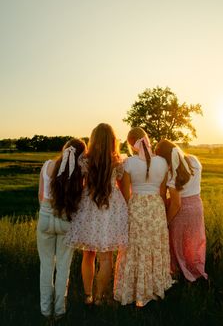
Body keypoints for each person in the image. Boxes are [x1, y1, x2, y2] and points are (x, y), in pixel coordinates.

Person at [66, 123, 128, 305]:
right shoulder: (118, 160)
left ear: (93, 139)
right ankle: (99, 297)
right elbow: (125, 190)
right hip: (110, 208)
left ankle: (88, 296)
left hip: (89, 206)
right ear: (112, 140)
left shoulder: (85, 160)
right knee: (106, 256)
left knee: (88, 254)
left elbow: (77, 185)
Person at [114, 127, 174, 307]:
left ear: (132, 145)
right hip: (156, 208)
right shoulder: (163, 162)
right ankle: (154, 288)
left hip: (136, 208)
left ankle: (134, 291)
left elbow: (125, 195)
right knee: (154, 246)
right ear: (147, 139)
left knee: (134, 247)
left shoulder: (129, 163)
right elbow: (163, 193)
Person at [37, 138, 86, 322]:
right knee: (63, 267)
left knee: (46, 266)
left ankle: (44, 311)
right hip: (66, 219)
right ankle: (59, 310)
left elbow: (41, 195)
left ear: (64, 149)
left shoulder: (48, 165)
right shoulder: (80, 172)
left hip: (45, 217)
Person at [155, 139, 208, 282]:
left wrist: (166, 221)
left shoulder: (173, 173)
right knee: (194, 241)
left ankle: (180, 274)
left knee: (177, 243)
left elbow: (176, 204)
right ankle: (196, 270)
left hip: (181, 210)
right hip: (197, 206)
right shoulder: (194, 160)